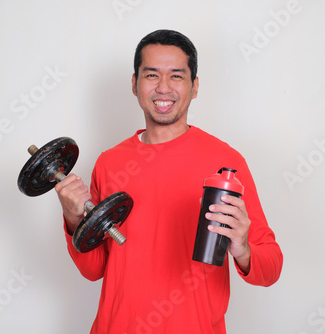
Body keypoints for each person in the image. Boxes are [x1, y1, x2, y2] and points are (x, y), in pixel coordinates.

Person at [55, 29, 283, 334]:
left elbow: (270, 269)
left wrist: (242, 247)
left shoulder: (227, 163)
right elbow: (94, 269)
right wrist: (72, 220)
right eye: (151, 75)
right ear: (135, 84)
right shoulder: (109, 163)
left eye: (176, 76)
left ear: (195, 86)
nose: (164, 88)